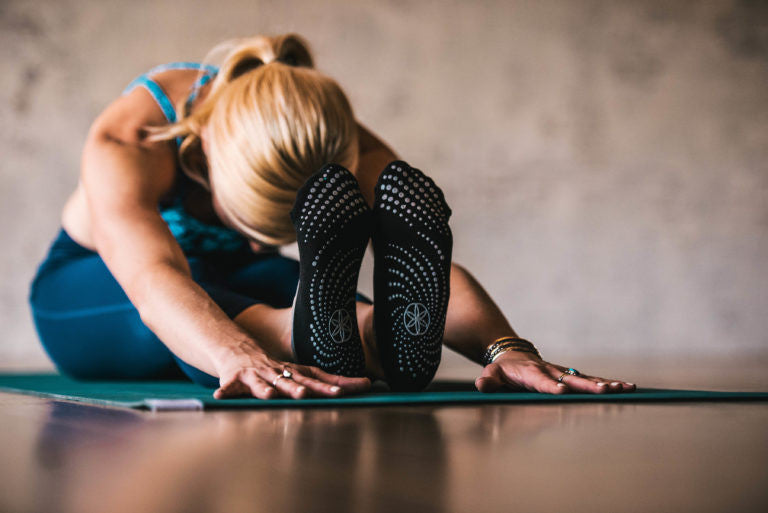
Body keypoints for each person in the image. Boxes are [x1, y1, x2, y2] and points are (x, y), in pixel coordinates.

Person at [28, 33, 636, 399]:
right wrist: (237, 355)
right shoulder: (134, 137)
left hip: (235, 281)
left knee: (315, 298)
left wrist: (506, 349)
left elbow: (421, 258)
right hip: (94, 288)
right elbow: (154, 280)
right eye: (253, 223)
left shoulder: (331, 132)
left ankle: (367, 336)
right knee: (207, 307)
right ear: (209, 150)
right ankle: (301, 333)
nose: (259, 237)